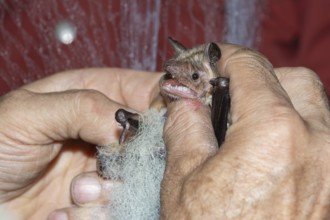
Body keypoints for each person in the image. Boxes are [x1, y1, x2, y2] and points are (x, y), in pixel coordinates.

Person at [0, 44, 329, 219]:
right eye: (176, 75)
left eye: (195, 78)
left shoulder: (238, 123)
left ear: (217, 87)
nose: (176, 81)